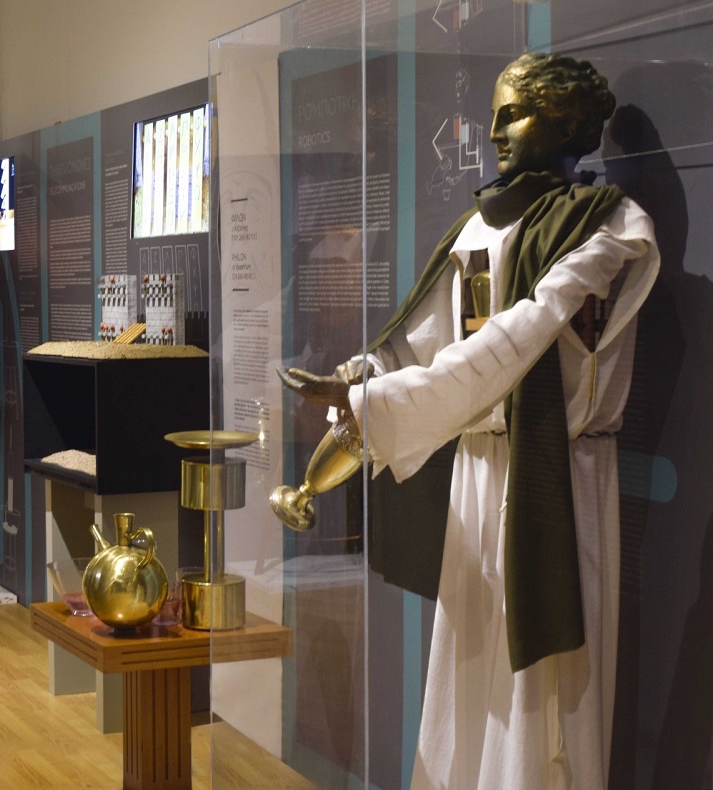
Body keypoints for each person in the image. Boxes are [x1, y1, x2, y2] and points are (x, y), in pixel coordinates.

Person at [280, 53, 659, 788]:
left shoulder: (608, 226)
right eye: (493, 116)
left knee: (542, 697)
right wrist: (360, 377)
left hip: (556, 477)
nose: (493, 133)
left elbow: (519, 335)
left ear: (565, 120)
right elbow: (425, 341)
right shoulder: (477, 229)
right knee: (467, 670)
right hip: (478, 474)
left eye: (512, 113)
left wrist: (374, 402)